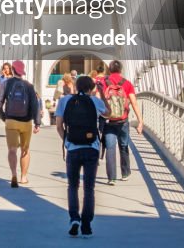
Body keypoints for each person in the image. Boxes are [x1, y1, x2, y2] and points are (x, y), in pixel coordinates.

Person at [56, 75, 108, 238]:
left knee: (72, 186)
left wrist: (67, 142)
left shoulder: (65, 101)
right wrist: (102, 94)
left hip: (73, 149)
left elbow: (59, 125)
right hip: (92, 148)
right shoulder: (95, 101)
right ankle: (86, 225)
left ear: (76, 87)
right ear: (91, 88)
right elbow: (109, 114)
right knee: (89, 188)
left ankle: (74, 219)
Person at [97, 60, 144, 184]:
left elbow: (97, 99)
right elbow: (134, 103)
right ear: (121, 70)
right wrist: (140, 122)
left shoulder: (103, 82)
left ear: (109, 70)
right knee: (123, 146)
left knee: (110, 148)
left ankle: (111, 178)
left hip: (108, 121)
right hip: (123, 121)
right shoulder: (127, 83)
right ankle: (125, 173)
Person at [0, 59, 41, 188]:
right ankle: (24, 177)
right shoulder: (29, 86)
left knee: (12, 150)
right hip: (26, 122)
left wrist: (5, 118)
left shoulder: (6, 84)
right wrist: (37, 123)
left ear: (12, 70)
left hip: (11, 121)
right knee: (25, 150)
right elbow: (35, 105)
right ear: (23, 71)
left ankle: (14, 174)